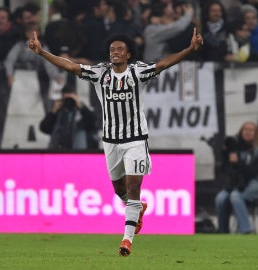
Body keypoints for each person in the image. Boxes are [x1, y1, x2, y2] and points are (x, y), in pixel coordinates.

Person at [28, 25, 203, 255]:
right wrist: (42, 53)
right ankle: (137, 208)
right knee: (118, 188)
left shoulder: (138, 72)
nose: (115, 52)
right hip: (110, 140)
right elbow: (71, 66)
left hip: (136, 139)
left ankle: (126, 240)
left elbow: (162, 64)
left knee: (133, 186)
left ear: (129, 54)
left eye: (120, 49)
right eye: (112, 49)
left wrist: (189, 49)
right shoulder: (100, 73)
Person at [215, 121, 258, 234]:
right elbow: (225, 169)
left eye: (251, 130)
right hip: (236, 182)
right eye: (245, 129)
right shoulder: (234, 147)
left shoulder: (256, 150)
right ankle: (223, 231)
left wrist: (238, 162)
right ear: (241, 131)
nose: (248, 132)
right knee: (220, 198)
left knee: (235, 196)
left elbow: (252, 172)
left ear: (255, 133)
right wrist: (225, 156)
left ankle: (245, 230)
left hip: (253, 182)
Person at [39, 86, 98, 150]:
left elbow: (93, 124)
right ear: (62, 99)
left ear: (76, 97)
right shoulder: (58, 112)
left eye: (71, 98)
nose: (68, 101)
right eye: (66, 99)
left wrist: (81, 106)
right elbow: (44, 128)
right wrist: (54, 110)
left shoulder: (83, 112)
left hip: (80, 153)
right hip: (58, 151)